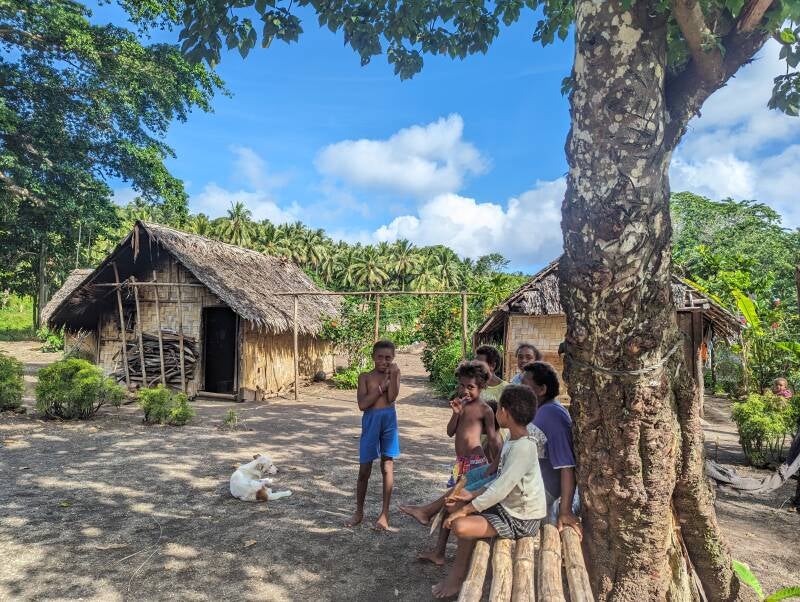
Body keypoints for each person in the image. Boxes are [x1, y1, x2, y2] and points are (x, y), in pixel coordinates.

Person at [432, 385, 546, 598]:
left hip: (521, 517)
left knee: (460, 525)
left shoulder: (524, 447)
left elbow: (500, 489)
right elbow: (500, 480)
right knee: (454, 504)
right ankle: (458, 575)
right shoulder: (514, 441)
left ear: (506, 413)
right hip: (509, 507)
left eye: (499, 409)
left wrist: (465, 510)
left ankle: (458, 577)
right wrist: (470, 496)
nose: (496, 413)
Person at [399, 360, 501, 565]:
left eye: (470, 387)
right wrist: (455, 414)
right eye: (462, 385)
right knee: (449, 504)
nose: (465, 390)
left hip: (476, 461)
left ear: (481, 387)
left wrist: (496, 464)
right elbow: (449, 432)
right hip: (460, 463)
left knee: (452, 503)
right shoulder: (460, 405)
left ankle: (437, 539)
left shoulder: (485, 410)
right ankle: (439, 551)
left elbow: (493, 438)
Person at [520, 362, 581, 534]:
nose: (520, 391)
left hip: (539, 490)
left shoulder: (553, 415)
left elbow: (567, 466)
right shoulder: (540, 410)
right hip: (524, 483)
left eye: (525, 387)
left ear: (541, 390)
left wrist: (565, 510)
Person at [346, 340, 401, 530]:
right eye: (380, 357)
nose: (384, 361)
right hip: (371, 421)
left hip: (389, 421)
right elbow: (363, 404)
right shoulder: (365, 377)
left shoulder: (395, 373)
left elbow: (392, 397)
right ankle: (359, 511)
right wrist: (381, 388)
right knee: (364, 470)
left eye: (388, 358)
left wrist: (391, 378)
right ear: (373, 357)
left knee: (387, 466)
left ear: (393, 358)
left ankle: (384, 514)